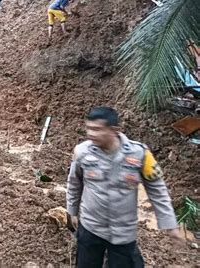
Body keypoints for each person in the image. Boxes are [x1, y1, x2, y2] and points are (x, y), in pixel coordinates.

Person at [67, 106, 183, 268]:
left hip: (123, 232)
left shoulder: (139, 154)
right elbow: (74, 182)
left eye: (97, 129)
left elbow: (157, 189)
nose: (91, 134)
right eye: (89, 128)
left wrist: (169, 223)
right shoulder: (82, 152)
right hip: (91, 227)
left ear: (114, 130)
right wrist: (72, 210)